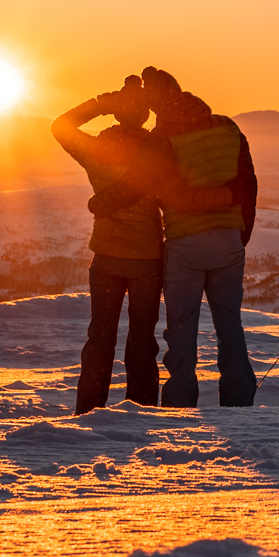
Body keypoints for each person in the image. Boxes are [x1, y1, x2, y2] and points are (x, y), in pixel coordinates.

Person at [52, 78, 233, 414]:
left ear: (118, 114)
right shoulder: (157, 150)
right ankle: (141, 409)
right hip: (147, 258)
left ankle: (89, 410)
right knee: (142, 339)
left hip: (106, 256)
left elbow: (60, 125)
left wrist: (103, 101)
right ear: (145, 116)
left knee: (100, 337)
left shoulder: (95, 151)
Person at [89, 67, 259, 406]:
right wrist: (240, 235)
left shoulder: (161, 139)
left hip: (185, 246)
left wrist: (99, 203)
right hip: (228, 242)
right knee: (230, 327)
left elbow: (135, 184)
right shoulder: (228, 127)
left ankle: (180, 407)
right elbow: (249, 185)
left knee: (181, 330)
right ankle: (240, 405)